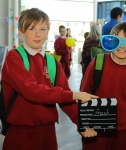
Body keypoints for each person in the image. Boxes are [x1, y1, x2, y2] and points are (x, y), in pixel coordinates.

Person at [1, 8, 98, 150]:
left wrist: (82, 122)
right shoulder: (14, 57)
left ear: (48, 31)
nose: (38, 34)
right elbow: (32, 91)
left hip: (49, 133)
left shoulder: (52, 62)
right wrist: (74, 94)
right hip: (20, 134)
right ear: (21, 31)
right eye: (31, 28)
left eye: (43, 29)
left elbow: (66, 100)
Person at [80, 22, 126, 150]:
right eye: (117, 40)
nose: (122, 46)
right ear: (110, 41)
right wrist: (85, 122)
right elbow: (85, 91)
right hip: (97, 124)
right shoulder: (98, 62)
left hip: (125, 127)